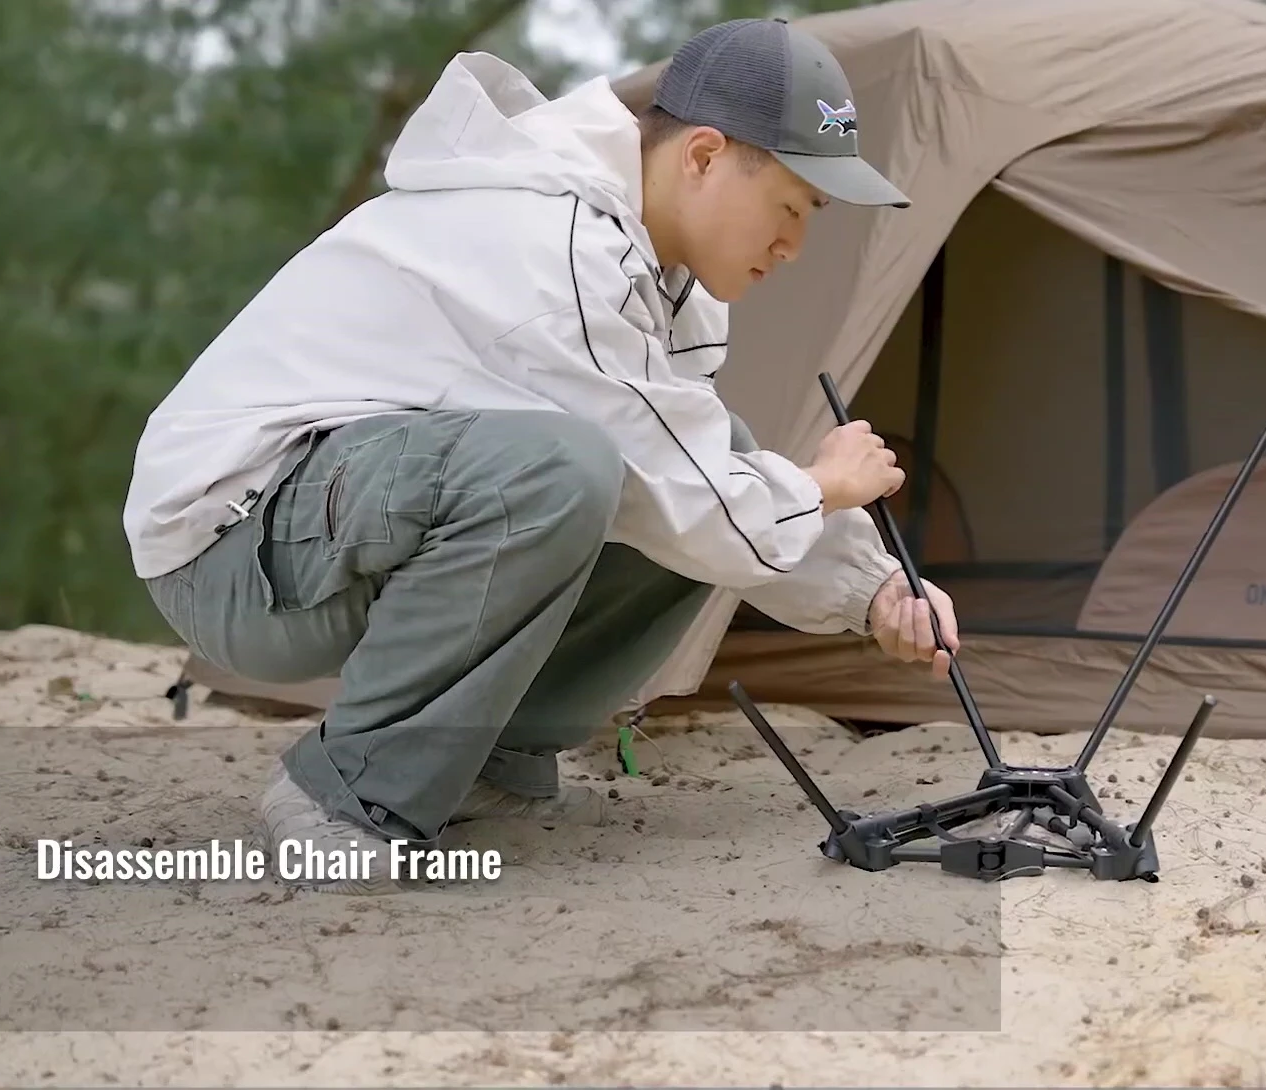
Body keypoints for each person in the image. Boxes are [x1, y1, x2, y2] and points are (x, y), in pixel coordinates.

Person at [120, 18, 960, 895]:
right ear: (704, 156)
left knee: (684, 466)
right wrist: (822, 486)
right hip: (233, 552)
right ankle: (343, 796)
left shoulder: (657, 272)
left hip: (328, 531)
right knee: (570, 470)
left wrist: (874, 590)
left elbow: (694, 468)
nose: (794, 246)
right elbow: (695, 490)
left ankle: (489, 760)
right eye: (790, 207)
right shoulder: (556, 244)